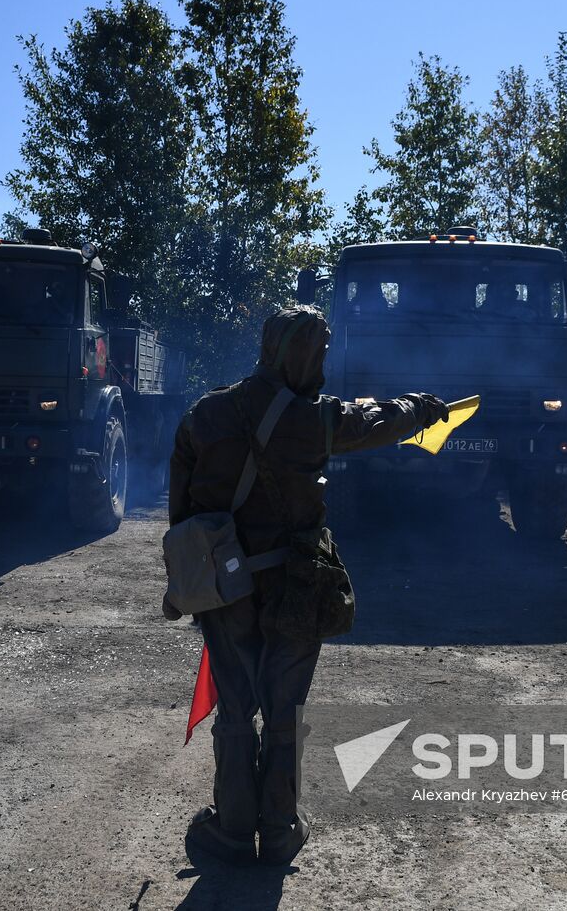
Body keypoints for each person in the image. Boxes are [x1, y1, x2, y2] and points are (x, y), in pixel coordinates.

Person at [165, 305, 449, 866]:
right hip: (296, 584)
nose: (320, 363)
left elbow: (181, 512)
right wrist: (421, 407)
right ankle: (278, 830)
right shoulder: (317, 420)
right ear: (297, 355)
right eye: (316, 353)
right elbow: (379, 419)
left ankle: (232, 829)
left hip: (224, 589)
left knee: (237, 706)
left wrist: (186, 584)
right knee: (285, 707)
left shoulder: (206, 413)